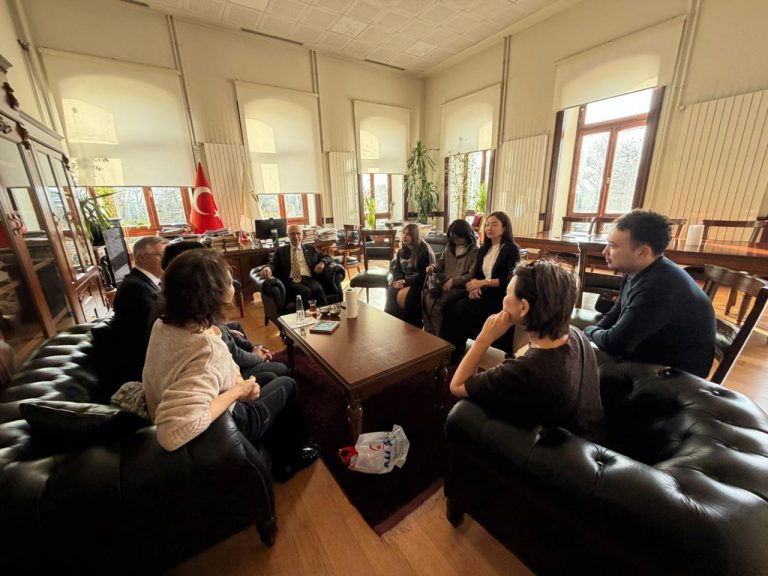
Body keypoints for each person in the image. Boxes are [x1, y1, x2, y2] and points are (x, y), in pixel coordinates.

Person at [142, 249, 318, 482]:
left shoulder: (165, 325)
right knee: (288, 384)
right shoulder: (206, 350)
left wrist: (237, 380)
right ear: (211, 294)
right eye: (228, 280)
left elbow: (205, 371)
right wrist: (237, 392)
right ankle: (291, 459)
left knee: (272, 377)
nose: (233, 284)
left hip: (203, 400)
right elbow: (172, 433)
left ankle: (279, 451)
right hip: (230, 421)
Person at [450, 260, 603, 440]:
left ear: (523, 307)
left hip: (556, 452)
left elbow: (457, 385)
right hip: (591, 434)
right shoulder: (576, 334)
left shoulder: (525, 370)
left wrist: (484, 338)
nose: (504, 298)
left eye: (507, 293)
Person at [584, 210, 716, 378]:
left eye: (613, 246)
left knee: (577, 366)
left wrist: (588, 331)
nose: (605, 252)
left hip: (674, 375)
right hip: (653, 350)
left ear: (643, 252)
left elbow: (615, 343)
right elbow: (616, 312)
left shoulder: (660, 287)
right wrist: (593, 332)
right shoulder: (638, 270)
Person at [160, 240, 289, 385]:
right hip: (228, 378)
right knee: (283, 374)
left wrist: (251, 349)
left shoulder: (176, 311)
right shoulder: (207, 335)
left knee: (236, 330)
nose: (233, 286)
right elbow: (232, 355)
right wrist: (256, 357)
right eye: (228, 282)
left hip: (225, 370)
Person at [442, 211, 521, 357]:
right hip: (482, 291)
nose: (489, 228)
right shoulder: (484, 248)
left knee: (461, 308)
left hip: (499, 295)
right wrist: (473, 288)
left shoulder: (511, 249)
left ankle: (459, 350)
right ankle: (446, 350)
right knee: (449, 302)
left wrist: (483, 283)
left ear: (504, 228)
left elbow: (510, 280)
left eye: (494, 225)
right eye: (487, 225)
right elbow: (476, 275)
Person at [112, 236, 169, 382]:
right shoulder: (135, 288)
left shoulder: (146, 282)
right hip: (143, 366)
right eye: (162, 255)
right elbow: (154, 330)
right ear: (142, 258)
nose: (167, 261)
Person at [423, 219, 479, 335]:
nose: (455, 240)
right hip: (444, 284)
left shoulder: (474, 251)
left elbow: (472, 275)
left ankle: (437, 337)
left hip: (460, 287)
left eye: (458, 237)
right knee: (425, 296)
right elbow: (441, 262)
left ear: (466, 235)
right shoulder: (450, 246)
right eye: (453, 237)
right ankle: (429, 333)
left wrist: (454, 281)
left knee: (436, 303)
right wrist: (433, 267)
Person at [259, 224, 333, 307]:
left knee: (318, 290)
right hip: (291, 281)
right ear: (288, 236)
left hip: (309, 279)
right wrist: (268, 268)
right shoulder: (281, 251)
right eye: (292, 234)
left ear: (302, 235)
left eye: (298, 233)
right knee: (305, 292)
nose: (295, 236)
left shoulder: (310, 249)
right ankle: (308, 315)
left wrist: (322, 263)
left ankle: (325, 312)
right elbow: (273, 263)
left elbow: (327, 257)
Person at [385, 223, 435, 327]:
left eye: (408, 234)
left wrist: (405, 283)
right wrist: (399, 280)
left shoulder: (424, 250)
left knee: (409, 297)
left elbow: (423, 276)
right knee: (391, 291)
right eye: (403, 233)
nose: (404, 236)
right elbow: (397, 270)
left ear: (415, 235)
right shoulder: (401, 251)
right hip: (405, 282)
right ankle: (392, 325)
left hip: (420, 284)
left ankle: (410, 328)